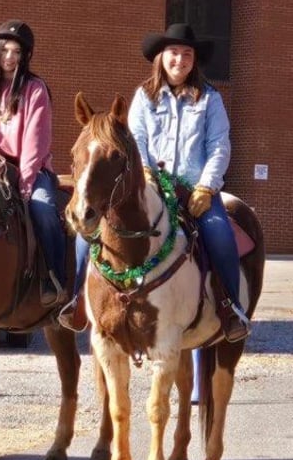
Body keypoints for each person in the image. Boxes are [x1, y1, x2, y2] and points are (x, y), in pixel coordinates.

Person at [58, 23, 250, 344]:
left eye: (187, 54)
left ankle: (231, 308)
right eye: (173, 53)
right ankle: (75, 299)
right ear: (160, 58)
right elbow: (136, 141)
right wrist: (145, 173)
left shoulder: (210, 99)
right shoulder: (143, 97)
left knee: (220, 233)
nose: (180, 59)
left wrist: (207, 186)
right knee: (88, 234)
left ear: (194, 60)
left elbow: (219, 146)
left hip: (194, 190)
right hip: (150, 186)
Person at [0, 19, 67, 305]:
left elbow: (36, 138)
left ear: (25, 57)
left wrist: (27, 178)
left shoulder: (36, 89)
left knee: (43, 207)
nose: (10, 57)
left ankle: (54, 277)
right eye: (5, 50)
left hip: (31, 168)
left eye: (17, 52)